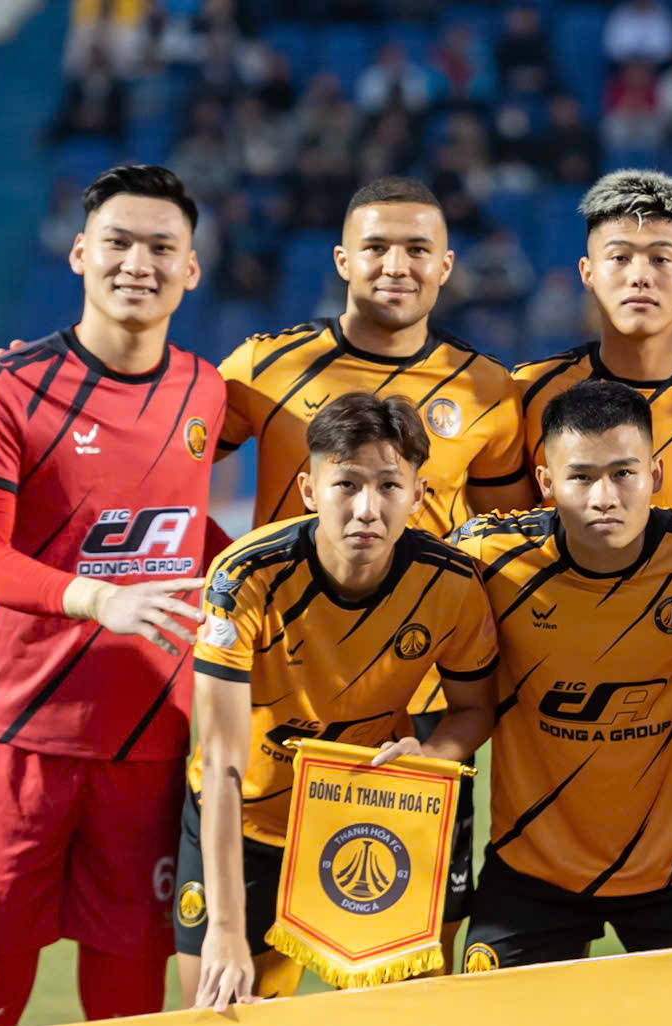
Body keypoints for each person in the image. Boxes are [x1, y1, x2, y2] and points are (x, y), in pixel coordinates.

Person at [0, 164, 228, 1026]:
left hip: (150, 747)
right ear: (77, 253)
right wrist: (98, 599)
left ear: (191, 269)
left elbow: (186, 524)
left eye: (161, 247)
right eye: (118, 242)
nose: (138, 262)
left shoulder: (207, 391)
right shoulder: (3, 385)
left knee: (128, 1019)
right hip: (18, 741)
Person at [213, 176, 522, 940]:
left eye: (417, 248)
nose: (396, 264)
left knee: (407, 968)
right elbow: (168, 473)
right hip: (283, 695)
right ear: (342, 259)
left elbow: (504, 540)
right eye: (376, 246)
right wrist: (215, 573)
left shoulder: (489, 390)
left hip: (420, 707)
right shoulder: (261, 368)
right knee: (248, 974)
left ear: (445, 266)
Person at [502, 170, 672, 938]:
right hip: (560, 733)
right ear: (587, 272)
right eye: (620, 257)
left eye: (661, 258)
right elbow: (502, 566)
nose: (640, 275)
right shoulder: (528, 395)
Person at [185, 394, 498, 1010]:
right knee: (218, 1021)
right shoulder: (244, 578)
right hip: (244, 821)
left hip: (363, 818)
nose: (366, 509)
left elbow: (473, 710)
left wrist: (432, 754)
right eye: (346, 484)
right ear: (309, 490)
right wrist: (224, 927)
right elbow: (221, 763)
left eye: (389, 486)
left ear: (418, 494)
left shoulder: (452, 584)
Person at [450, 380, 672, 965]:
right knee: (490, 1025)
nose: (604, 497)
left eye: (624, 473)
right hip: (530, 870)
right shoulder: (487, 557)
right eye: (580, 477)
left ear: (656, 474)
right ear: (546, 482)